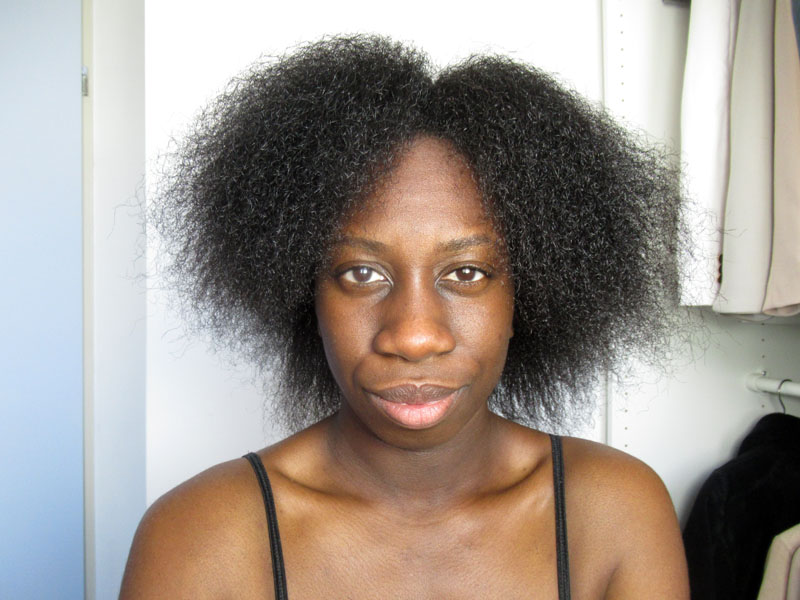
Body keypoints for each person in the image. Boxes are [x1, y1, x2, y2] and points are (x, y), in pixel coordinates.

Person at [121, 35, 689, 599]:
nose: (415, 336)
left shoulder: (614, 514)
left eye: (467, 273)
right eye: (360, 274)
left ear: (529, 295)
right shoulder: (199, 536)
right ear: (307, 297)